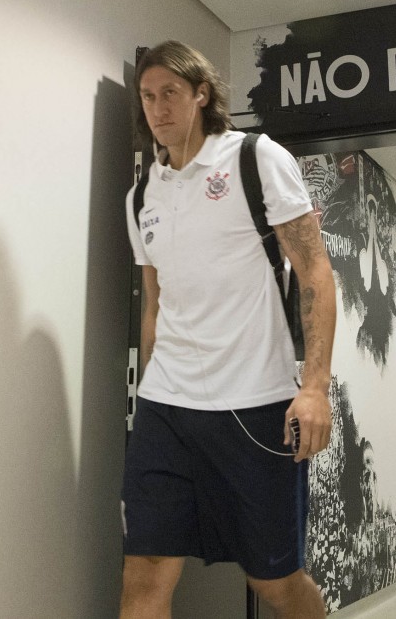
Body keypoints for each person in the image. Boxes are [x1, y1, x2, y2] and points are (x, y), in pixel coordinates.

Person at [121, 41, 336, 619]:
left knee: (277, 583)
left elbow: (315, 270)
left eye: (170, 92)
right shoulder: (142, 196)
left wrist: (314, 387)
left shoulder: (254, 159)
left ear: (201, 94)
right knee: (142, 583)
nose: (158, 107)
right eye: (148, 96)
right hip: (166, 407)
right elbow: (155, 302)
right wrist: (146, 392)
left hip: (254, 406)